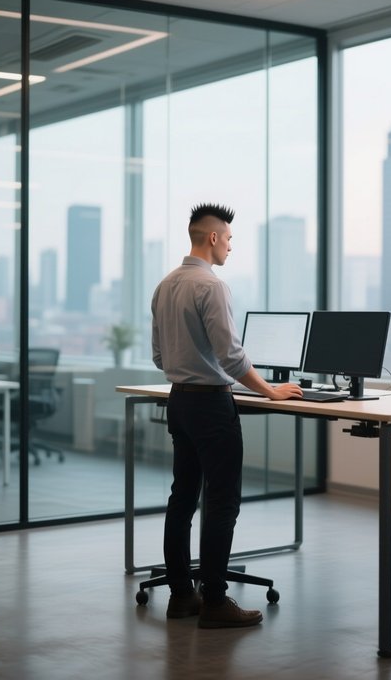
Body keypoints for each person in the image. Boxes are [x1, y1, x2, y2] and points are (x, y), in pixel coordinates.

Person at [150, 202, 303, 628]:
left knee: (182, 498)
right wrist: (272, 391)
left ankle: (182, 596)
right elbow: (232, 357)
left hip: (179, 401)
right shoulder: (211, 286)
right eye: (230, 239)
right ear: (213, 237)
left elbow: (160, 355)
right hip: (211, 406)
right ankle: (215, 603)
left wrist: (191, 371)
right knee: (221, 503)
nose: (232, 247)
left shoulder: (165, 285)